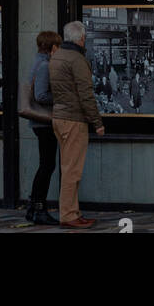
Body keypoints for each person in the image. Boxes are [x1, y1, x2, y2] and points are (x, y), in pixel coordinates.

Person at [49, 20, 105, 229]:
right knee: (72, 170)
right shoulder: (77, 59)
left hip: (59, 118)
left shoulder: (56, 57)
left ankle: (72, 212)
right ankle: (69, 215)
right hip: (74, 120)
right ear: (81, 38)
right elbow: (86, 94)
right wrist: (97, 122)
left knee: (67, 168)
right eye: (84, 37)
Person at [25, 30, 62, 225]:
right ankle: (39, 207)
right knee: (47, 165)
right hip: (43, 121)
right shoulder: (45, 65)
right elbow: (40, 95)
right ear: (52, 47)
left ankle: (33, 206)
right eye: (58, 46)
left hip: (40, 123)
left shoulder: (37, 62)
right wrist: (61, 98)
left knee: (46, 164)